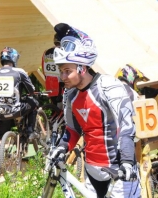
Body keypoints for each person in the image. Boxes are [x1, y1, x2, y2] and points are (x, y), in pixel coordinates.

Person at [48, 25, 141, 197]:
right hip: (92, 172)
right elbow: (72, 129)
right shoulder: (70, 94)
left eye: (67, 71)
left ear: (82, 68)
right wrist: (62, 147)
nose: (62, 77)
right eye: (61, 71)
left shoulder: (109, 86)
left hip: (119, 171)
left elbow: (126, 127)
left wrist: (128, 162)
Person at [0, 46, 39, 175]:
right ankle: (30, 130)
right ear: (14, 58)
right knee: (34, 103)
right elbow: (31, 90)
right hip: (17, 110)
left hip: (2, 112)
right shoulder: (19, 72)